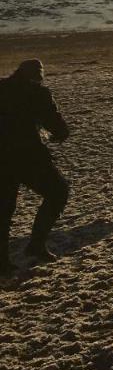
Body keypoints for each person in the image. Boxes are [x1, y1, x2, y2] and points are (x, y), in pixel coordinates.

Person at [0, 59, 70, 273]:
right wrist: (60, 133)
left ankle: (2, 262)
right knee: (58, 192)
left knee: (3, 210)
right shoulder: (38, 93)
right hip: (28, 156)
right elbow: (56, 125)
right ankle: (36, 244)